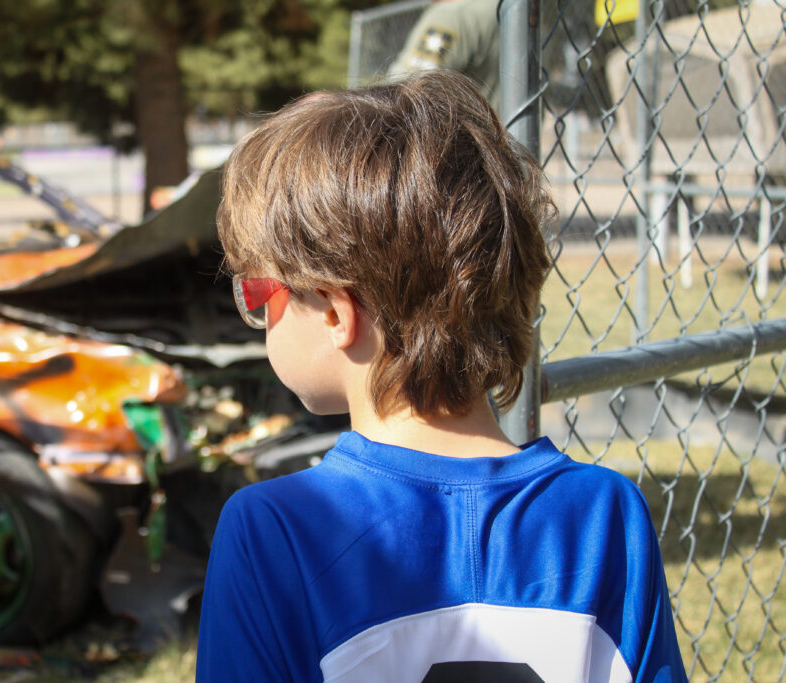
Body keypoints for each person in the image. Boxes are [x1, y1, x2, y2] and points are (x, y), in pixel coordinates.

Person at [196, 71, 686, 682]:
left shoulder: (272, 532)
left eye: (256, 293)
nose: (254, 314)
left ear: (333, 312)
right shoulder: (605, 516)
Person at [386, 0, 499, 106]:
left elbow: (402, 94)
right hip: (505, 120)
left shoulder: (453, 14)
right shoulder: (505, 7)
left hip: (474, 124)